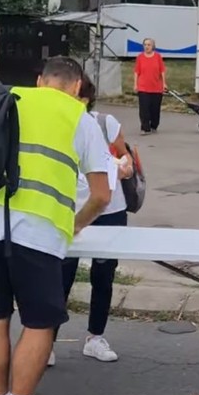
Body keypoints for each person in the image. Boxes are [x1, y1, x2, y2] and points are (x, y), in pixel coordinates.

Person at [0, 56, 112, 395]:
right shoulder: (81, 118)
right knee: (39, 322)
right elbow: (102, 195)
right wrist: (73, 225)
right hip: (38, 230)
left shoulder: (4, 100)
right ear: (78, 87)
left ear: (40, 80)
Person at [52, 75, 133, 365]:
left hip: (109, 209)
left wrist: (123, 167)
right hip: (68, 207)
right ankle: (45, 340)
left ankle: (95, 337)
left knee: (103, 274)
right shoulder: (54, 123)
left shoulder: (103, 123)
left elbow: (128, 161)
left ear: (83, 98)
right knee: (61, 274)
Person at [133, 38, 166, 134]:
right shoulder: (140, 57)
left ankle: (154, 125)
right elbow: (136, 72)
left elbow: (162, 71)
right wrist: (135, 84)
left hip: (156, 87)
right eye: (145, 45)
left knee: (155, 109)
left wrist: (164, 83)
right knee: (144, 109)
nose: (147, 47)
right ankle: (145, 127)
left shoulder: (158, 57)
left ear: (153, 46)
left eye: (149, 45)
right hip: (143, 87)